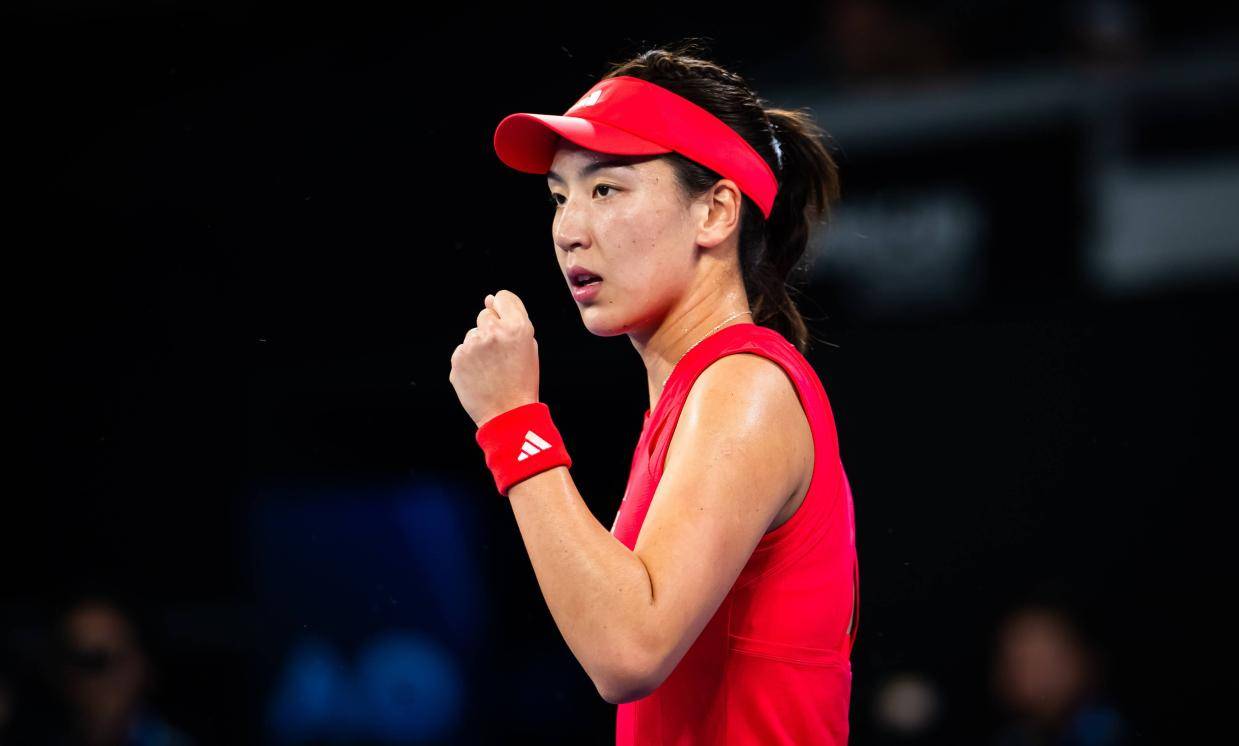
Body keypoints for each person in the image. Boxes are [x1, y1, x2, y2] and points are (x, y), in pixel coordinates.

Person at [449, 40, 858, 744]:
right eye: (559, 197)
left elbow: (626, 652)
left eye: (606, 189)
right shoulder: (695, 398)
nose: (568, 231)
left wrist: (512, 419)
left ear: (715, 212)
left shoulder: (744, 387)